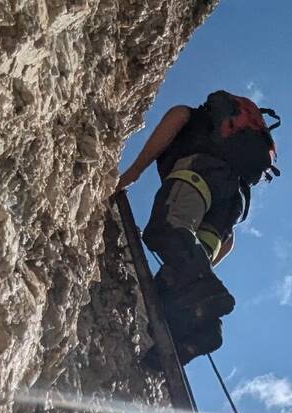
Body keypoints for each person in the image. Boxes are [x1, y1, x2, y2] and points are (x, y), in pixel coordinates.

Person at [116, 91, 281, 365]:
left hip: (200, 173)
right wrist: (196, 270)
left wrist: (133, 173)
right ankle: (199, 332)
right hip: (229, 208)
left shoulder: (193, 118)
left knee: (166, 229)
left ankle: (204, 301)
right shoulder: (238, 166)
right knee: (176, 276)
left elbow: (176, 118)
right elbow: (227, 244)